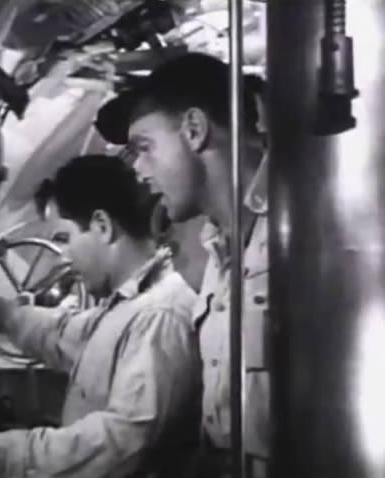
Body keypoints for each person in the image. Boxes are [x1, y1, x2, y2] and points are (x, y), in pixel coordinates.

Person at [0, 154, 201, 478]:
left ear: (102, 226)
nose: (64, 258)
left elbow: (123, 442)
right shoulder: (127, 306)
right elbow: (60, 334)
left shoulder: (159, 315)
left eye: (66, 239)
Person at [95, 53, 269, 478]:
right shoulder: (218, 258)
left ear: (194, 129)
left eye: (144, 148)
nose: (138, 171)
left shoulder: (306, 233)